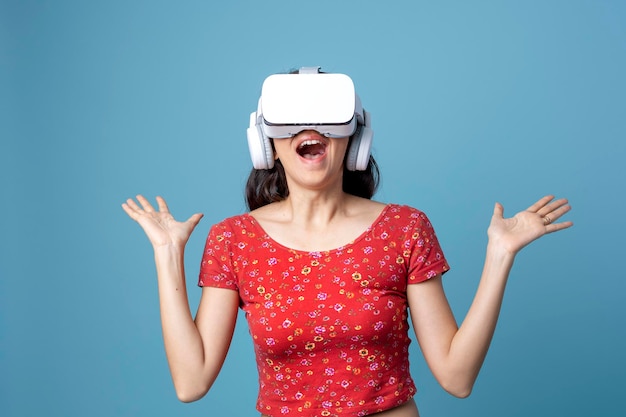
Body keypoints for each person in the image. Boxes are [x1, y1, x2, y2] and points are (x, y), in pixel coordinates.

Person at [122, 67, 573, 417]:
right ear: (266, 144)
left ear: (355, 138)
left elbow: (456, 378)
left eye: (326, 118)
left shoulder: (405, 229)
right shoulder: (233, 240)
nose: (308, 128)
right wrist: (167, 254)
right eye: (291, 120)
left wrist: (500, 255)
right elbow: (191, 382)